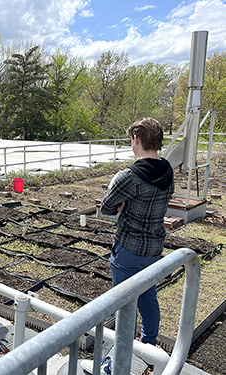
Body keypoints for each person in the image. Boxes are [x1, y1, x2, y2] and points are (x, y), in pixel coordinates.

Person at [101, 118, 174, 346]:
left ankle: (120, 358)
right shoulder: (168, 170)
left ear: (136, 139)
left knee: (124, 304)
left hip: (128, 249)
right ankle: (148, 346)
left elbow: (106, 207)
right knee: (148, 296)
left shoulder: (129, 176)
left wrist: (123, 204)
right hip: (154, 248)